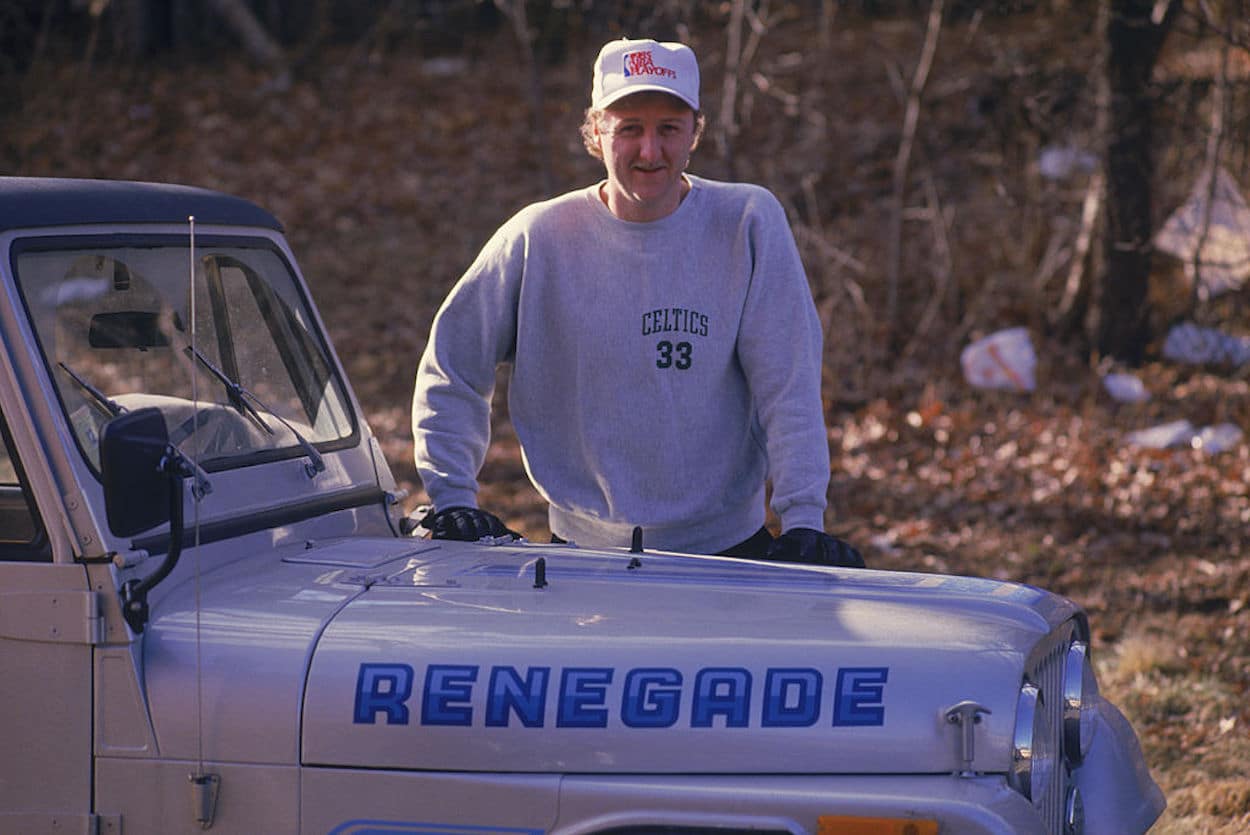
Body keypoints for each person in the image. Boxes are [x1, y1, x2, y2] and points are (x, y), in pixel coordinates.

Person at [411, 37, 863, 568]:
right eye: (629, 129)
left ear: (694, 133)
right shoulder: (538, 238)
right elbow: (452, 365)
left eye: (668, 128)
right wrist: (452, 499)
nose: (650, 152)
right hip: (580, 560)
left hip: (729, 555)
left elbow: (788, 383)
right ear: (596, 133)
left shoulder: (746, 223)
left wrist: (804, 518)